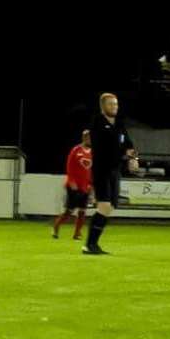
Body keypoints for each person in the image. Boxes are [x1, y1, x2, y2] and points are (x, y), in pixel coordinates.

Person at [82, 92, 139, 255]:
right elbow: (104, 149)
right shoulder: (97, 123)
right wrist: (124, 156)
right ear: (103, 107)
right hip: (102, 169)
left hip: (115, 170)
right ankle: (89, 245)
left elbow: (129, 144)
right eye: (111, 104)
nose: (114, 106)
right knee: (104, 205)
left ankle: (92, 245)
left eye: (116, 104)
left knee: (110, 207)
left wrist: (134, 158)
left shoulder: (119, 124)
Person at [52, 128, 93, 239]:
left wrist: (91, 185)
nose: (90, 139)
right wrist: (71, 181)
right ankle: (56, 227)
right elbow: (69, 167)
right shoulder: (76, 150)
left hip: (85, 187)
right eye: (88, 137)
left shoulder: (93, 152)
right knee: (69, 211)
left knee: (82, 211)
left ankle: (77, 233)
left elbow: (93, 170)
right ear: (84, 138)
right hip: (74, 187)